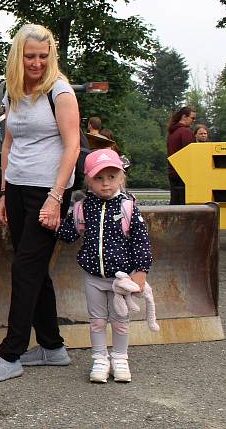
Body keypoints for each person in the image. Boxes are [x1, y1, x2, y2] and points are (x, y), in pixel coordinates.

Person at [0, 24, 80, 382]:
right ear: (19, 56)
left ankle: (11, 353)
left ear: (51, 56)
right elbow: (7, 144)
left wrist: (55, 199)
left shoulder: (60, 92)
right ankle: (52, 347)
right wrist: (4, 193)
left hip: (46, 192)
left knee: (24, 269)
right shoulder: (13, 92)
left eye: (42, 56)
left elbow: (72, 147)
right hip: (18, 189)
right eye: (30, 56)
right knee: (34, 270)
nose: (36, 63)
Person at [57, 149, 152, 383]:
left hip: (122, 280)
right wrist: (50, 221)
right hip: (93, 278)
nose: (106, 184)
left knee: (121, 321)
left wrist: (140, 272)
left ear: (121, 177)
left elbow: (141, 241)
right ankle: (100, 359)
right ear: (88, 180)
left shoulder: (128, 207)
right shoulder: (83, 208)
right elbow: (68, 234)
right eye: (99, 178)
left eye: (111, 177)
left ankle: (120, 359)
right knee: (97, 320)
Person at [166, 106, 196, 205]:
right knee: (184, 205)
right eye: (192, 118)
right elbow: (191, 155)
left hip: (172, 172)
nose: (193, 121)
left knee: (175, 203)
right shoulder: (185, 132)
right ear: (184, 117)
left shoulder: (172, 132)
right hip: (184, 174)